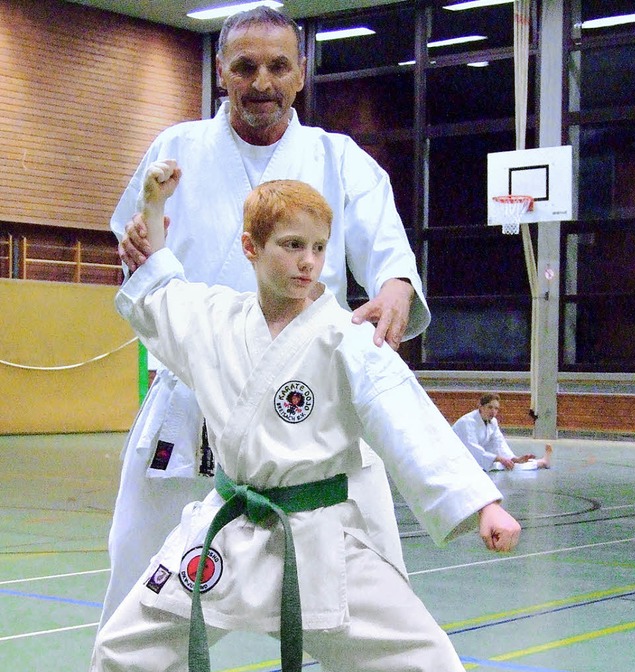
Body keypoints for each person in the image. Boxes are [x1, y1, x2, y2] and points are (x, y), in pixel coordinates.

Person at [91, 163, 521, 672]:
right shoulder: (216, 319)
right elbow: (162, 291)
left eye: (319, 248)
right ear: (251, 247)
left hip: (319, 539)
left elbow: (406, 418)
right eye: (292, 245)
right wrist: (154, 208)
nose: (308, 262)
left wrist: (481, 506)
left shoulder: (349, 338)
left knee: (426, 661)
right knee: (123, 649)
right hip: (228, 529)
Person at [101, 6, 431, 630]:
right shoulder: (176, 149)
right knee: (136, 575)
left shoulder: (340, 159)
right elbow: (139, 253)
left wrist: (394, 290)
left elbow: (388, 252)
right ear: (221, 71)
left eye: (278, 66)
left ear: (301, 74)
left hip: (309, 398)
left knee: (377, 583)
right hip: (193, 393)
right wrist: (141, 254)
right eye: (245, 66)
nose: (262, 83)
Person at [452, 393, 553, 472]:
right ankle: (542, 462)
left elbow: (499, 444)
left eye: (496, 408)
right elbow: (473, 449)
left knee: (508, 465)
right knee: (500, 464)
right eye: (490, 407)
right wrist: (499, 459)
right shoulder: (467, 422)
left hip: (473, 458)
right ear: (480, 406)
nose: (493, 411)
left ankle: (543, 462)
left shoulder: (492, 421)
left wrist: (514, 459)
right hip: (455, 459)